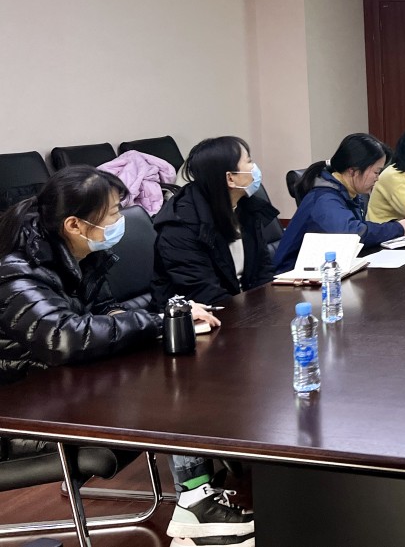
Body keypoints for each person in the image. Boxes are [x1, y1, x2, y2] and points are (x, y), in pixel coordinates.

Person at [0, 167, 250, 545]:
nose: (123, 221)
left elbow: (103, 313)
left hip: (60, 379)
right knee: (170, 386)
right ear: (74, 224)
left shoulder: (77, 254)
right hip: (20, 409)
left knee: (178, 366)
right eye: (115, 212)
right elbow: (64, 337)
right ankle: (196, 505)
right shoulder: (16, 273)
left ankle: (200, 492)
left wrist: (166, 318)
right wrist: (157, 322)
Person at [152, 136, 278, 306]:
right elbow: (203, 292)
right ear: (230, 179)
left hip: (243, 307)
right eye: (249, 161)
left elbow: (263, 270)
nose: (254, 168)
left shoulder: (246, 206)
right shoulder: (180, 224)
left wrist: (268, 307)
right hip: (197, 315)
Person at [274, 133, 405, 272]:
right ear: (353, 171)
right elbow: (353, 234)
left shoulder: (349, 193)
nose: (377, 178)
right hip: (292, 276)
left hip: (326, 270)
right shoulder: (324, 198)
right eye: (376, 172)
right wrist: (398, 228)